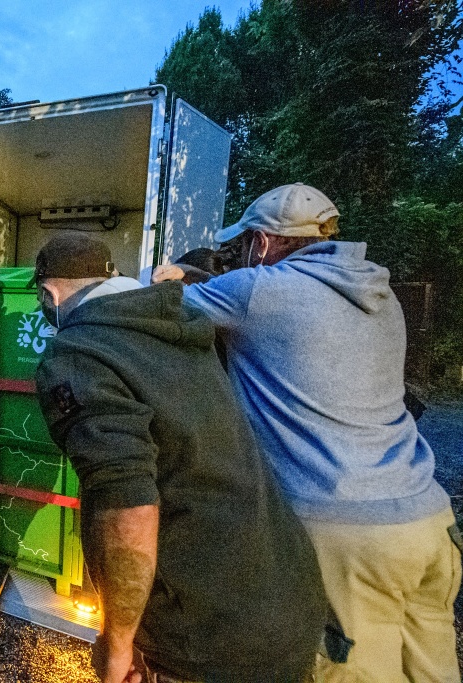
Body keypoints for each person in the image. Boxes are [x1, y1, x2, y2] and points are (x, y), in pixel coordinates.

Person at [153, 183, 460, 682]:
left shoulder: (258, 289)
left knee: (345, 673)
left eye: (250, 241)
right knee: (432, 670)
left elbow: (162, 306)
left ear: (266, 242)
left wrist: (173, 277)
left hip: (348, 533)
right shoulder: (383, 298)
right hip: (426, 520)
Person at [33, 233, 326, 683]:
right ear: (111, 277)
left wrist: (117, 643)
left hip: (209, 641)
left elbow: (127, 508)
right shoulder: (182, 320)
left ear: (49, 295)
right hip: (290, 596)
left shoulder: (79, 351)